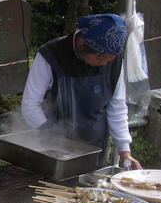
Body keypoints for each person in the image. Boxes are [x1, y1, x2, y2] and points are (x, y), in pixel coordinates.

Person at [21, 13, 142, 170]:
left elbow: (117, 106)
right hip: (53, 153)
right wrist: (52, 139)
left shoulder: (113, 60)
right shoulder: (50, 55)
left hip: (95, 152)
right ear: (81, 42)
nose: (105, 62)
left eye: (110, 58)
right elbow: (30, 105)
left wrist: (125, 151)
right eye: (101, 57)